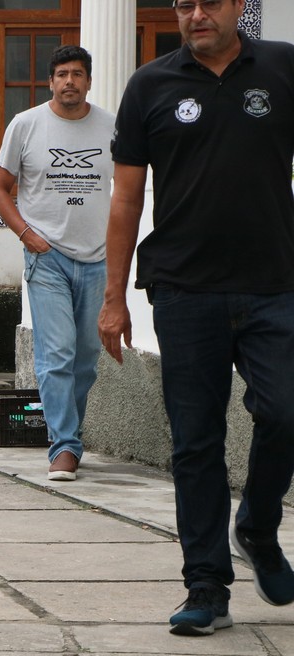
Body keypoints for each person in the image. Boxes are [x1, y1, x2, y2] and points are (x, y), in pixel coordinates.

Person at [98, 0, 294, 637]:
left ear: (238, 5)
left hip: (275, 285)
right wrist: (113, 295)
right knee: (196, 441)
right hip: (184, 290)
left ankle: (257, 527)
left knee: (288, 410)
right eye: (184, 3)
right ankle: (206, 585)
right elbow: (126, 197)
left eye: (210, 1)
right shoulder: (151, 84)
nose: (196, 13)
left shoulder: (284, 68)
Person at [0, 45, 115, 482]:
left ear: (89, 81)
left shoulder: (110, 127)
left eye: (77, 74)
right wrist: (27, 234)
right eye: (62, 74)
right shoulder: (26, 125)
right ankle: (63, 446)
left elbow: (131, 189)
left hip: (97, 259)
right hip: (48, 258)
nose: (69, 82)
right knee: (56, 355)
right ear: (50, 81)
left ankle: (70, 434)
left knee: (86, 359)